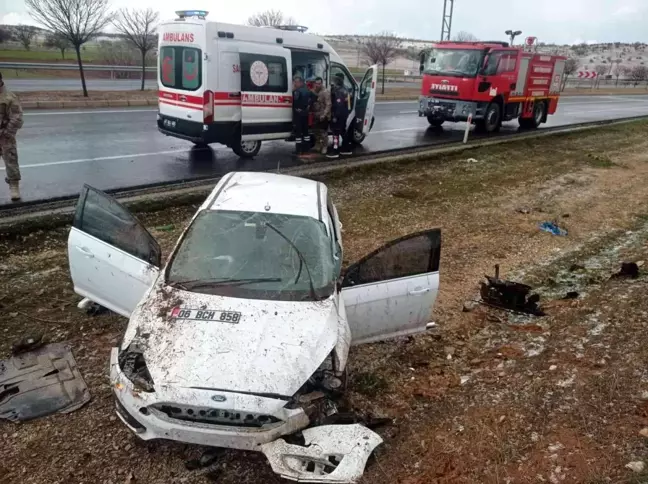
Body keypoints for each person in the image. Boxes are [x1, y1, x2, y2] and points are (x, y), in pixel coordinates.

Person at [0, 71, 24, 201]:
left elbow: (17, 118)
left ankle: (14, 186)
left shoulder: (9, 97)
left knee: (11, 162)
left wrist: (7, 133)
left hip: (5, 137)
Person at [327, 73, 351, 159]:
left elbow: (338, 105)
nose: (334, 81)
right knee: (342, 131)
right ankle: (346, 148)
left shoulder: (339, 91)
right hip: (344, 114)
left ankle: (335, 150)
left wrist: (335, 116)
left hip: (338, 115)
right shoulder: (346, 89)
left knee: (336, 132)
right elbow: (348, 105)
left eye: (336, 79)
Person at [292, 75, 313, 155]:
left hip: (298, 114)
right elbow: (312, 99)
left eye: (296, 82)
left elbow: (295, 103)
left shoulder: (297, 92)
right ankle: (306, 149)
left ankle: (298, 150)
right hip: (305, 114)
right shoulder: (308, 90)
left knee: (298, 133)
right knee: (306, 132)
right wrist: (307, 108)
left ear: (300, 82)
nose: (295, 83)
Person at [311, 77, 331, 155]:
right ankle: (318, 144)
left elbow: (328, 104)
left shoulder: (325, 92)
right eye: (316, 83)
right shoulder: (315, 91)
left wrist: (324, 114)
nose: (317, 85)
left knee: (323, 132)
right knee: (315, 131)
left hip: (323, 115)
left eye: (319, 83)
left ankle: (325, 146)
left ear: (322, 83)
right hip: (316, 114)